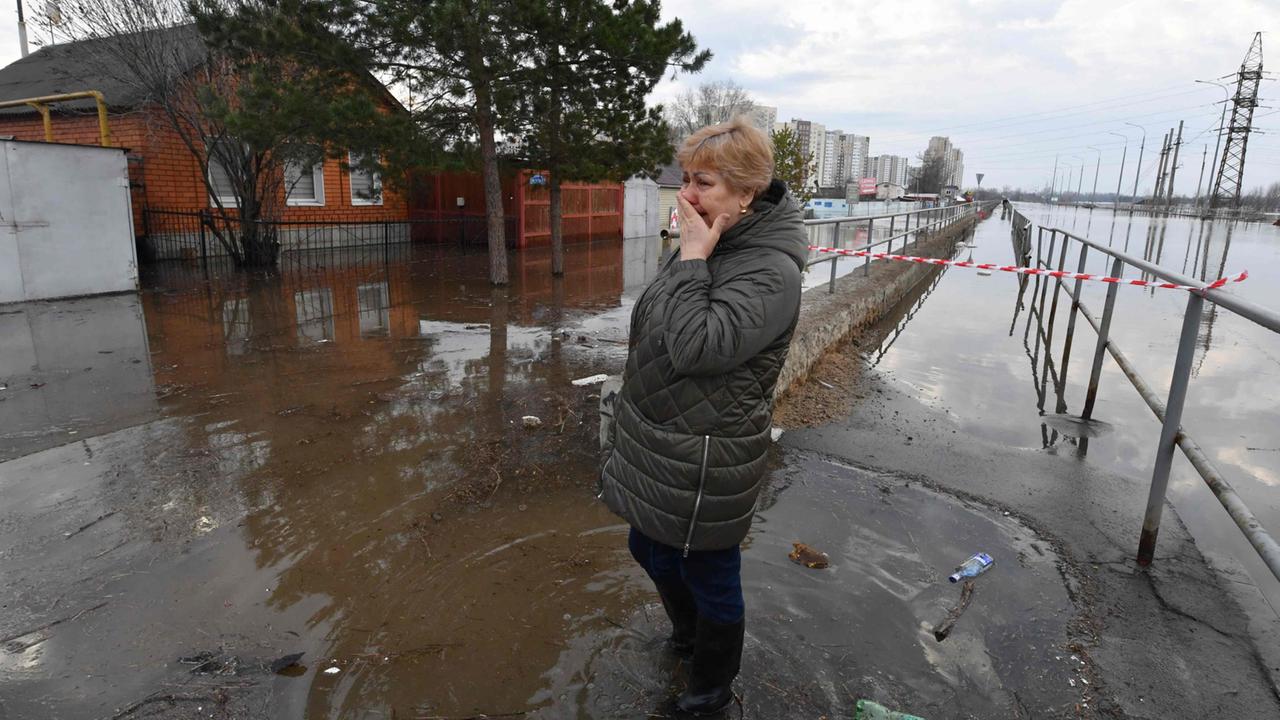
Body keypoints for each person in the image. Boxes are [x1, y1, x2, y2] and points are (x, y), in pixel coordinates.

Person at [597, 117, 807, 715]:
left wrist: (690, 258)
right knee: (650, 548)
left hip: (706, 454)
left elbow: (699, 349)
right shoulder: (715, 238)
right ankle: (688, 639)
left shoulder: (770, 269)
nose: (687, 194)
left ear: (746, 193)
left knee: (711, 576)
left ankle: (710, 690)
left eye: (704, 183)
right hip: (662, 433)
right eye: (686, 179)